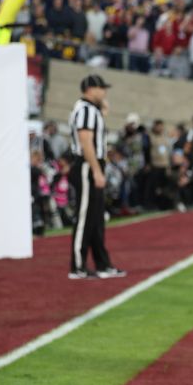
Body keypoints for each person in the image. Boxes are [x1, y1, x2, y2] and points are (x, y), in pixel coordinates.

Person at [68, 74, 126, 279]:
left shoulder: (91, 110)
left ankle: (102, 263)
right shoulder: (85, 110)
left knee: (96, 217)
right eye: (102, 89)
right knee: (85, 217)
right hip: (86, 165)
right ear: (91, 89)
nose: (105, 93)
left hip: (91, 165)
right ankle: (77, 266)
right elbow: (86, 142)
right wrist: (96, 170)